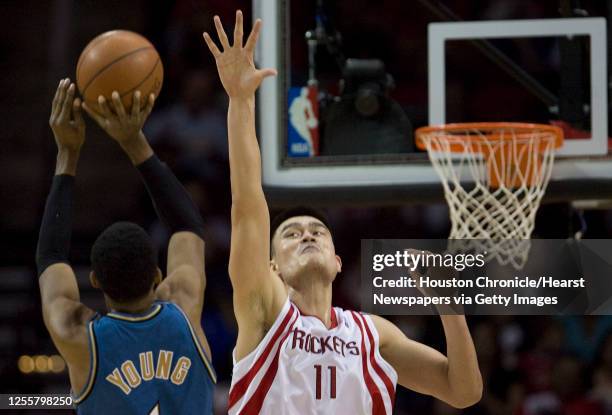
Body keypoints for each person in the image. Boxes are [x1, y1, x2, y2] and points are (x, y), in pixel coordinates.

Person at [203, 11, 482, 414]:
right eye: (291, 234)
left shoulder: (372, 333)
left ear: (337, 262)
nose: (307, 234)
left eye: (317, 230)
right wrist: (241, 102)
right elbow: (247, 208)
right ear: (271, 268)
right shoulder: (264, 313)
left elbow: (464, 391)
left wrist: (448, 304)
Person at [37, 79, 216, 414]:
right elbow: (187, 225)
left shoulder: (79, 337)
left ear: (95, 282)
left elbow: (51, 257)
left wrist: (67, 154)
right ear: (158, 274)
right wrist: (135, 143)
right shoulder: (184, 305)